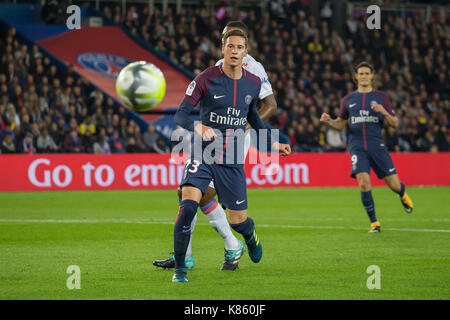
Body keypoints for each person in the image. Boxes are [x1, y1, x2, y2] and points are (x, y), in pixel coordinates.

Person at [153, 21, 278, 271]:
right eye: (226, 41)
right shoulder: (216, 69)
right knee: (188, 195)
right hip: (208, 142)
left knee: (226, 211)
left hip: (234, 144)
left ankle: (234, 243)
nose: (230, 47)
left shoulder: (253, 69)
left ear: (244, 45)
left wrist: (247, 127)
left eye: (236, 43)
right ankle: (187, 256)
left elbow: (269, 105)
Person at [320, 61, 414, 233]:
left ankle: (402, 193)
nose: (363, 76)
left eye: (366, 73)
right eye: (360, 74)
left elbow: (394, 124)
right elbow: (340, 124)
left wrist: (384, 112)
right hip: (356, 146)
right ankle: (374, 223)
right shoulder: (348, 100)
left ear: (372, 76)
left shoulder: (381, 98)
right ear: (356, 77)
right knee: (363, 183)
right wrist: (329, 122)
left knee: (393, 185)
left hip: (377, 145)